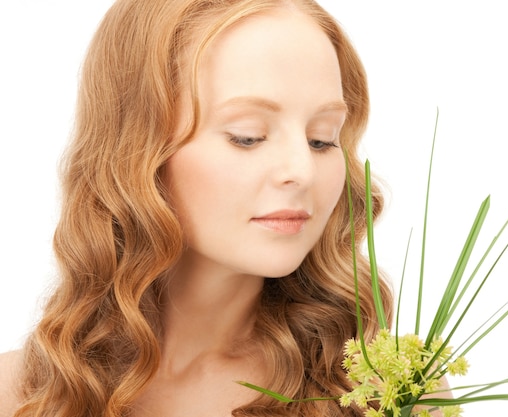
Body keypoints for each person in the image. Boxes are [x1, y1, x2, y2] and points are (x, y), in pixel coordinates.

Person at [0, 0, 399, 416]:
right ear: (135, 149)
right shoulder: (17, 395)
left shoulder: (384, 390)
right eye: (248, 136)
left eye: (321, 139)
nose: (302, 171)